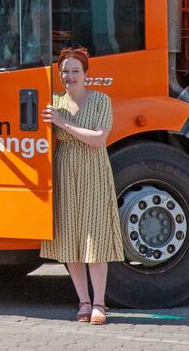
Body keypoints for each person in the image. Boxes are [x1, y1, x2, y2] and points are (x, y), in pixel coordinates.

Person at [39, 46, 124, 325]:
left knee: (94, 237)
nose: (70, 76)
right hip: (65, 170)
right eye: (65, 71)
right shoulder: (54, 102)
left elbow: (98, 139)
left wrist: (64, 123)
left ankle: (100, 303)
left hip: (94, 170)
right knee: (71, 238)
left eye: (75, 71)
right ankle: (83, 302)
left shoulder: (101, 100)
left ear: (86, 74)